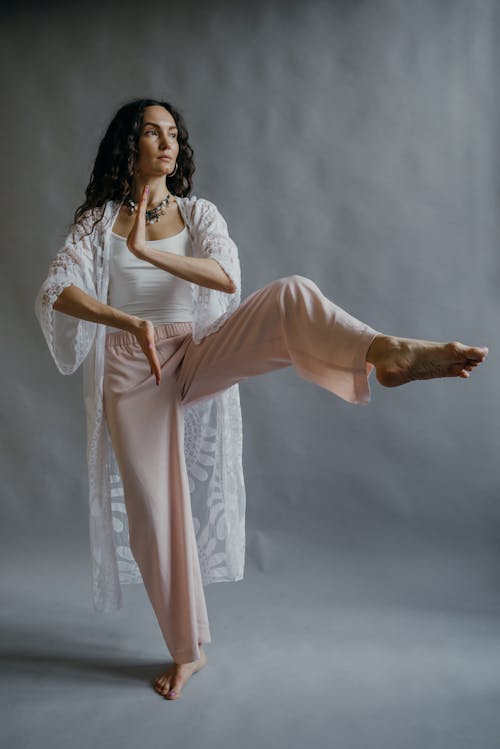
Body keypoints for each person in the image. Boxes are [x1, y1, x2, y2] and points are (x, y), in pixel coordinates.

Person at [34, 97, 488, 702]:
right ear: (129, 144)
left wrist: (147, 252)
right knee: (152, 512)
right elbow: (57, 288)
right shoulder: (98, 222)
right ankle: (187, 651)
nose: (165, 142)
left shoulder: (197, 213)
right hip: (130, 365)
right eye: (150, 132)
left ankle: (382, 352)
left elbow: (227, 277)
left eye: (172, 132)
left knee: (290, 295)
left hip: (192, 349)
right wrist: (124, 317)